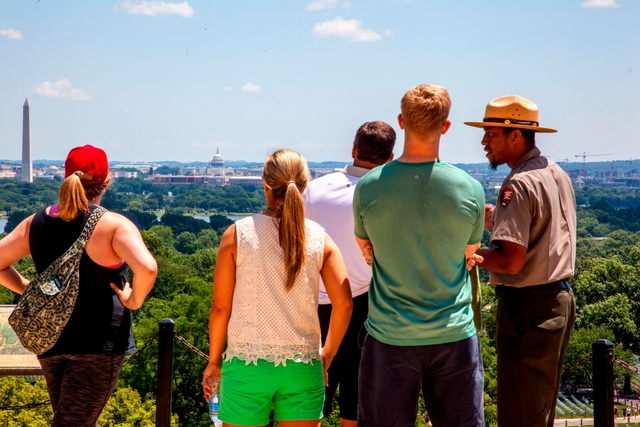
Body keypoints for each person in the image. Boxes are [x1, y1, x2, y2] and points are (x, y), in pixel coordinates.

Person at [353, 84, 486, 427]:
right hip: (454, 333)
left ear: (400, 121)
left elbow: (366, 248)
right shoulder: (469, 188)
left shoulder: (368, 186)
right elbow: (468, 254)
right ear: (445, 126)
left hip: (389, 335)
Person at [0, 144, 157, 427]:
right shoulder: (113, 226)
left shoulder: (35, 223)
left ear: (66, 178)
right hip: (98, 344)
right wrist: (134, 300)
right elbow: (147, 267)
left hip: (50, 338)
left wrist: (28, 289)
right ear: (106, 182)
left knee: (75, 419)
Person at [202, 149, 353, 427]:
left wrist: (213, 362)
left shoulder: (237, 234)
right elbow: (344, 304)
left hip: (247, 365)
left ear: (265, 185)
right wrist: (327, 353)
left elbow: (220, 308)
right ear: (305, 186)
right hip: (304, 365)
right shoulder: (320, 238)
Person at [466, 95, 577, 427]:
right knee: (537, 412)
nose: (484, 141)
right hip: (557, 302)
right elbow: (521, 221)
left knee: (518, 414)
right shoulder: (554, 173)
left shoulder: (517, 183)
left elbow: (510, 261)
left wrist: (466, 253)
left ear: (515, 134)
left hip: (527, 309)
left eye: (491, 133)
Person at [303, 121, 395, 427]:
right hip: (362, 306)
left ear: (354, 150)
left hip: (310, 305)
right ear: (391, 157)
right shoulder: (387, 197)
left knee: (310, 400)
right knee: (354, 404)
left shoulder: (314, 189)